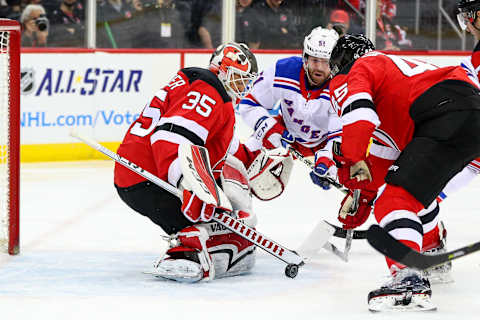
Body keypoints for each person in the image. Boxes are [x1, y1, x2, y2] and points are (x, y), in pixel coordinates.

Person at [327, 34, 480, 311]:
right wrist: (364, 195)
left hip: (444, 114)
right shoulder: (394, 71)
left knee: (394, 201)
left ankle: (408, 275)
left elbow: (358, 111)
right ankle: (433, 252)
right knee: (412, 191)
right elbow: (388, 161)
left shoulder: (362, 67)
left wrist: (353, 156)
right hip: (468, 113)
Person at [113, 42, 268, 283]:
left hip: (139, 175)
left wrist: (260, 151)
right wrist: (189, 185)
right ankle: (188, 249)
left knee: (227, 221)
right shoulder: (209, 89)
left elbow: (224, 150)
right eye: (239, 79)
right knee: (222, 232)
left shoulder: (208, 92)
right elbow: (172, 137)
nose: (243, 87)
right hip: (152, 177)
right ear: (223, 71)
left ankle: (190, 241)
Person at [237, 26, 342, 191]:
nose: (320, 68)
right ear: (305, 58)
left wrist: (328, 157)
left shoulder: (342, 85)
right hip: (285, 132)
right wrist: (270, 128)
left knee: (345, 172)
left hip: (324, 141)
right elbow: (248, 105)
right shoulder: (283, 70)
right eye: (315, 60)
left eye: (325, 62)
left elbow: (340, 133)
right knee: (248, 150)